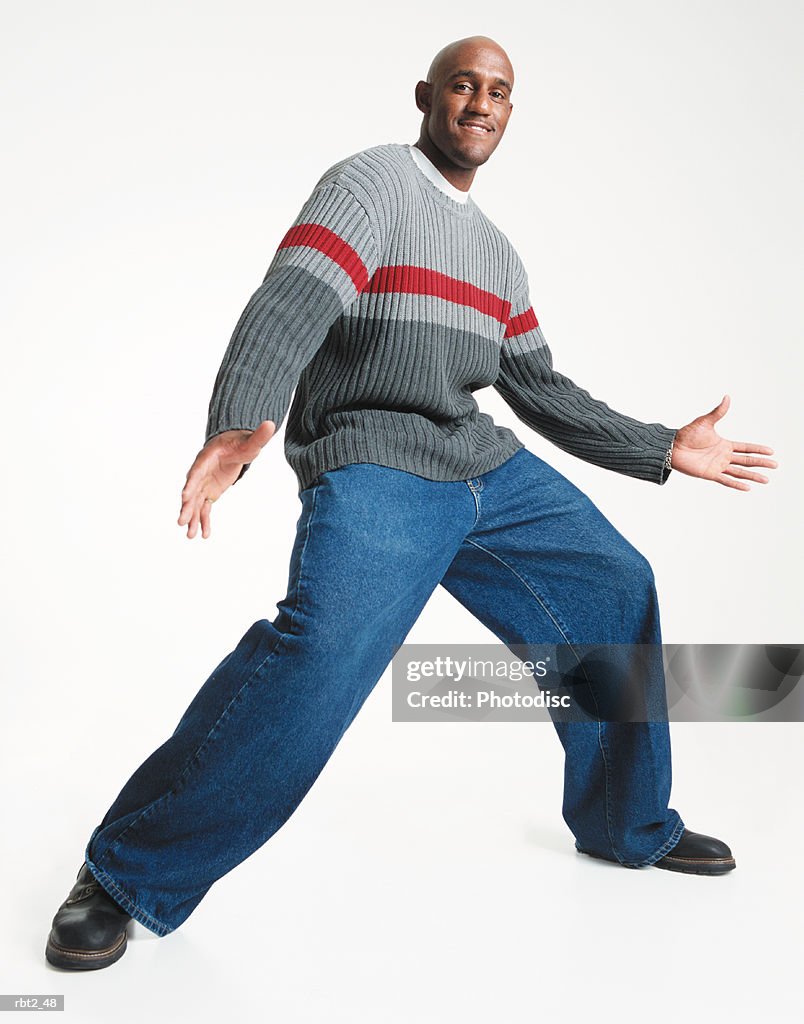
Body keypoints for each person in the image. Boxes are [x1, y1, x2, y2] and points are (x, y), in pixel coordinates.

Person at [46, 35, 776, 971]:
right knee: (321, 652)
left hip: (483, 466)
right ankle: (123, 874)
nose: (481, 103)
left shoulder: (498, 255)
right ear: (427, 96)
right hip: (378, 460)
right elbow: (293, 297)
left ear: (511, 114)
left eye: (500, 92)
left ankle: (625, 822)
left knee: (615, 584)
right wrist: (243, 418)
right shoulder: (373, 183)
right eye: (464, 85)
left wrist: (662, 446)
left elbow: (538, 388)